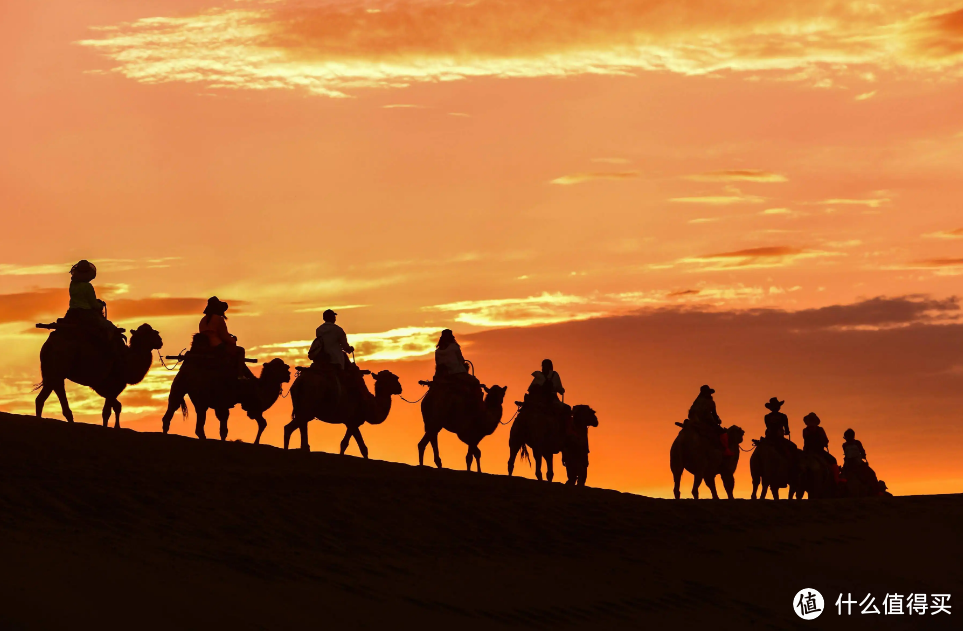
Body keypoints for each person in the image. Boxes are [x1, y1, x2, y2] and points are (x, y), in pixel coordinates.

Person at [64, 260, 120, 348]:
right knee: (110, 327)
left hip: (72, 313)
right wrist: (100, 305)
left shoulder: (72, 284)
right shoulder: (88, 286)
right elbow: (94, 305)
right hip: (86, 315)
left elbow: (81, 298)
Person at [198, 296, 251, 378]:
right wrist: (233, 339)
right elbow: (224, 336)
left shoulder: (203, 320)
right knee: (240, 350)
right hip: (217, 346)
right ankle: (240, 376)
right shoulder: (218, 319)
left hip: (205, 347)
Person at [432, 330, 483, 409]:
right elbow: (461, 360)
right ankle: (480, 408)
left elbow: (438, 364)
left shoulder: (437, 351)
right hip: (457, 373)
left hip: (442, 377)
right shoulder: (454, 347)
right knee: (475, 382)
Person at [686, 385, 731, 455]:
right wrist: (717, 420)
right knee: (722, 432)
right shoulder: (710, 402)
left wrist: (717, 419)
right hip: (707, 421)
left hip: (696, 420)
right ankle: (725, 450)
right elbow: (713, 414)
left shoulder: (698, 401)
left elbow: (713, 414)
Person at [802, 412, 839, 480]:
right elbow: (825, 440)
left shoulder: (805, 430)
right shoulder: (819, 429)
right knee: (833, 460)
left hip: (808, 451)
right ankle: (836, 481)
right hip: (818, 451)